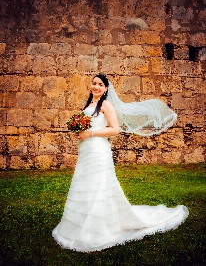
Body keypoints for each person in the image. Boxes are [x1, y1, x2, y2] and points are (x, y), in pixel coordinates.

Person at [52, 73, 188, 252]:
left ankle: (98, 228)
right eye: (94, 83)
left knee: (99, 185)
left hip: (98, 150)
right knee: (85, 184)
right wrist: (80, 131)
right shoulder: (90, 105)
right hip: (86, 150)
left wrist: (90, 134)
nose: (96, 87)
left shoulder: (106, 105)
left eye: (100, 84)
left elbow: (114, 129)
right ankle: (81, 223)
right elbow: (89, 125)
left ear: (106, 88)